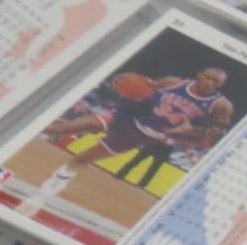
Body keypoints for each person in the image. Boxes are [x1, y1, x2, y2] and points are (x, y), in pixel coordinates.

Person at [36, 66, 234, 203]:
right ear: (199, 74)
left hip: (141, 134)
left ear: (220, 85)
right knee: (64, 128)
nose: (210, 83)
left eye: (216, 82)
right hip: (126, 114)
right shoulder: (172, 82)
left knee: (83, 158)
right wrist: (127, 87)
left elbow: (209, 139)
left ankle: (58, 180)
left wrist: (179, 134)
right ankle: (30, 127)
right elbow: (141, 89)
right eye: (208, 77)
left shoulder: (221, 106)